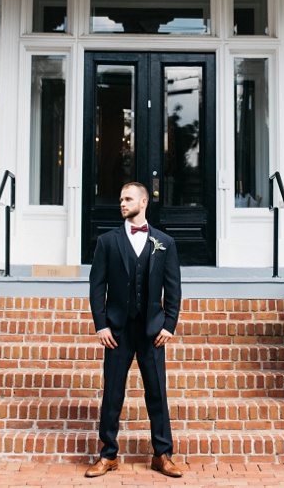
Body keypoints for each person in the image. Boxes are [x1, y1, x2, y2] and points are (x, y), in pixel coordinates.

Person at [85, 182, 183, 478]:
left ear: (143, 201)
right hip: (117, 330)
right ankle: (108, 454)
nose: (122, 203)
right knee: (113, 393)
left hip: (153, 331)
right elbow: (96, 286)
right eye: (120, 198)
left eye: (128, 198)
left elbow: (174, 288)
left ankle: (162, 454)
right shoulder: (107, 241)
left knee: (157, 393)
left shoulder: (164, 242)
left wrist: (169, 324)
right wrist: (101, 324)